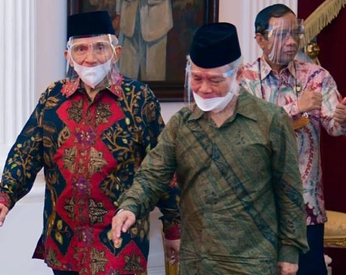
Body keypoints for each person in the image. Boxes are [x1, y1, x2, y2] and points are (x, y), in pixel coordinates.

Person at [0, 11, 180, 275]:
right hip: (66, 241)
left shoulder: (139, 98)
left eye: (100, 47)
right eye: (81, 49)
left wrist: (173, 225)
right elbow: (26, 153)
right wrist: (4, 195)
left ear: (116, 52)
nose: (90, 58)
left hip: (120, 240)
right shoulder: (53, 98)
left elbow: (162, 166)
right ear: (68, 57)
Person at [112, 22, 309, 275]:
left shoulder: (270, 120)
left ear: (238, 75)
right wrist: (130, 206)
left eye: (214, 80)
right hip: (197, 261)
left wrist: (289, 251)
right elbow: (152, 174)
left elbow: (289, 190)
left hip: (254, 261)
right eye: (196, 78)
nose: (204, 89)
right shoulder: (181, 125)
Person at [238, 4, 346, 274]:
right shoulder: (244, 79)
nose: (291, 42)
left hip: (306, 207)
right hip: (258, 207)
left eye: (294, 33)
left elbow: (334, 126)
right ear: (260, 40)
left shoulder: (316, 76)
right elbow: (247, 133)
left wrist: (342, 117)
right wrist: (296, 107)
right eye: (281, 35)